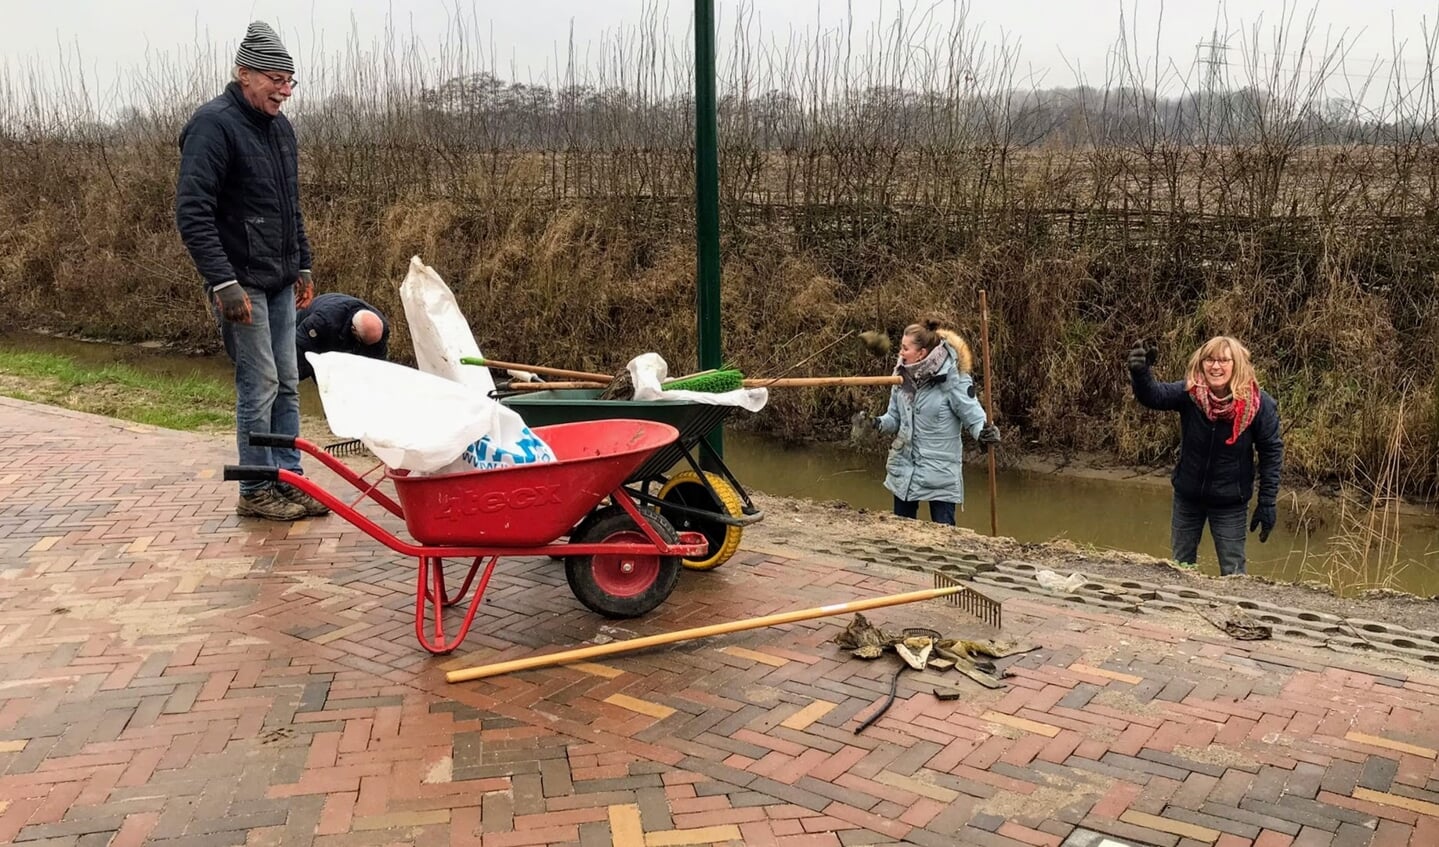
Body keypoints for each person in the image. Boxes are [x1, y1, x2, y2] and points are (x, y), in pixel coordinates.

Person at [175, 21, 328, 521]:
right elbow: (193, 212)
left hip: (280, 278)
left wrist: (302, 263)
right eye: (275, 78)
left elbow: (290, 206)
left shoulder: (281, 129)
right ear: (244, 74)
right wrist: (223, 282)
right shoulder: (212, 125)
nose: (285, 90)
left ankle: (287, 477)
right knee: (258, 383)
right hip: (239, 281)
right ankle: (254, 488)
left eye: (290, 80)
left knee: (287, 380)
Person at [1128, 336, 1283, 575]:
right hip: (1188, 497)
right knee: (1180, 568)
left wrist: (1267, 502)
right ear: (1201, 364)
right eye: (1209, 359)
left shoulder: (1260, 404)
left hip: (1231, 503)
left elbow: (1271, 453)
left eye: (1223, 360)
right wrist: (1141, 373)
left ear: (1237, 364)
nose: (1215, 366)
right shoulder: (1190, 393)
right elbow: (1154, 396)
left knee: (1233, 573)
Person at [875, 318, 1001, 525]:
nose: (900, 353)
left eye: (905, 348)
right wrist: (875, 423)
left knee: (945, 539)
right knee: (900, 534)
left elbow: (974, 415)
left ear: (922, 353)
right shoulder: (901, 376)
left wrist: (984, 432)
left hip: (940, 473)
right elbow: (894, 419)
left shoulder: (954, 378)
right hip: (905, 468)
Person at [296, 294, 390, 381]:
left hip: (340, 331)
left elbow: (377, 363)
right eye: (363, 342)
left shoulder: (379, 330)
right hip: (309, 330)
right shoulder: (324, 320)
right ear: (353, 329)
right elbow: (299, 345)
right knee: (300, 372)